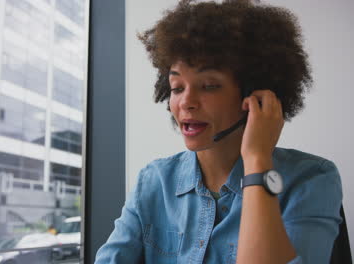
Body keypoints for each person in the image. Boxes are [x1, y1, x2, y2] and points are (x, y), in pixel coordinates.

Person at [95, 0, 343, 263]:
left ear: (253, 95)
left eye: (209, 85)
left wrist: (257, 160)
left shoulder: (310, 179)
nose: (186, 102)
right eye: (177, 87)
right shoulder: (154, 181)